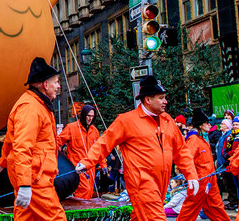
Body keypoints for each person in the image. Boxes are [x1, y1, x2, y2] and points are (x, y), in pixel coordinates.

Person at [76, 75, 199, 221]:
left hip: (160, 185)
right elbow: (104, 143)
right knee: (156, 218)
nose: (165, 102)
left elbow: (181, 150)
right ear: (148, 99)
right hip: (141, 185)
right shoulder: (126, 120)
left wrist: (191, 173)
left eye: (164, 97)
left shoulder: (168, 121)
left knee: (140, 217)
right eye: (161, 98)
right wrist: (86, 162)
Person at [0, 57, 65, 221]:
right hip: (35, 178)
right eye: (56, 82)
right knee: (56, 218)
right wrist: (25, 184)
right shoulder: (31, 108)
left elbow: (11, 141)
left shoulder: (35, 105)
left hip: (32, 176)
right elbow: (22, 147)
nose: (58, 86)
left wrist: (2, 163)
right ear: (45, 85)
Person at [175, 109, 229, 221]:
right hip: (200, 180)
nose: (209, 124)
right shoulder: (194, 139)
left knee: (216, 207)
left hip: (209, 179)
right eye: (206, 122)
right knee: (190, 208)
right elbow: (186, 160)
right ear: (200, 125)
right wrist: (191, 177)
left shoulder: (202, 138)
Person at [57, 103, 100, 199]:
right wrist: (60, 162)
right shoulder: (71, 128)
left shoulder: (94, 131)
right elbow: (57, 142)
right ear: (83, 115)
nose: (90, 118)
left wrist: (103, 165)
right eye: (88, 116)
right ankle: (81, 211)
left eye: (92, 116)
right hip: (77, 167)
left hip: (90, 168)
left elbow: (98, 149)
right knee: (82, 191)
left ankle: (87, 212)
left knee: (89, 190)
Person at [215, 119, 238, 210]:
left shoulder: (229, 136)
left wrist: (226, 159)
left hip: (227, 164)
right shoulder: (223, 135)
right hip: (222, 163)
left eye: (223, 124)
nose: (221, 125)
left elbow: (228, 150)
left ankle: (234, 201)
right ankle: (232, 201)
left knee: (230, 184)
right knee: (226, 183)